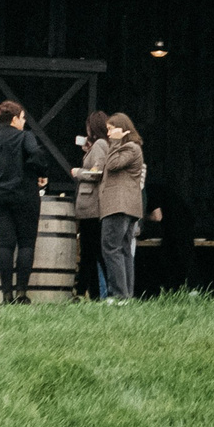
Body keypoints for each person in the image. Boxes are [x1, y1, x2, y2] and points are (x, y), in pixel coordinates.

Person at [0, 100, 61, 304]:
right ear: (15, 119)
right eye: (23, 118)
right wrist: (38, 171)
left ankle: (6, 294)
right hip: (25, 195)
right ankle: (21, 293)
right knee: (26, 243)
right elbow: (37, 155)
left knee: (5, 243)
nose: (24, 122)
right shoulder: (25, 137)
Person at [92, 112, 147, 302]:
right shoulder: (131, 148)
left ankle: (118, 295)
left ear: (123, 129)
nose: (108, 133)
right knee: (123, 250)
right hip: (125, 206)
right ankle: (126, 295)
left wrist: (115, 143)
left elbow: (114, 164)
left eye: (110, 129)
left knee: (111, 249)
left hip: (119, 206)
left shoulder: (131, 148)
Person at [71, 109, 110, 299]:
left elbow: (98, 172)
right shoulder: (97, 146)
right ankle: (93, 294)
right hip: (90, 208)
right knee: (91, 252)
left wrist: (78, 172)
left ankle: (82, 292)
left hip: (92, 207)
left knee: (90, 251)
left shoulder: (101, 144)